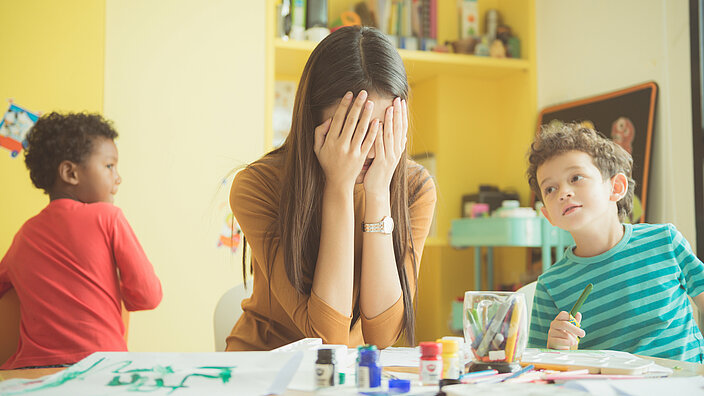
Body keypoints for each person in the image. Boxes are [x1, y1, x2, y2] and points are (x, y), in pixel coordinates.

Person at [225, 26, 436, 351]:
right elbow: (327, 337)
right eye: (352, 128)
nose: (367, 149)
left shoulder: (414, 188)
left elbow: (382, 337)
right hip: (263, 363)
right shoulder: (257, 186)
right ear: (313, 119)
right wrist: (338, 185)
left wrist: (379, 192)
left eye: (381, 129)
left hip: (351, 373)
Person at [525, 122, 704, 362]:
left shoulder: (665, 241)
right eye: (550, 189)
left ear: (616, 187)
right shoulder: (550, 285)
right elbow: (538, 365)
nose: (563, 193)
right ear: (548, 215)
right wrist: (556, 348)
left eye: (576, 177)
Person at [0, 112, 163, 369]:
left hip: (31, 371)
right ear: (70, 173)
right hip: (101, 367)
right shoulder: (108, 218)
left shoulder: (24, 235)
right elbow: (147, 296)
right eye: (109, 166)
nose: (117, 178)